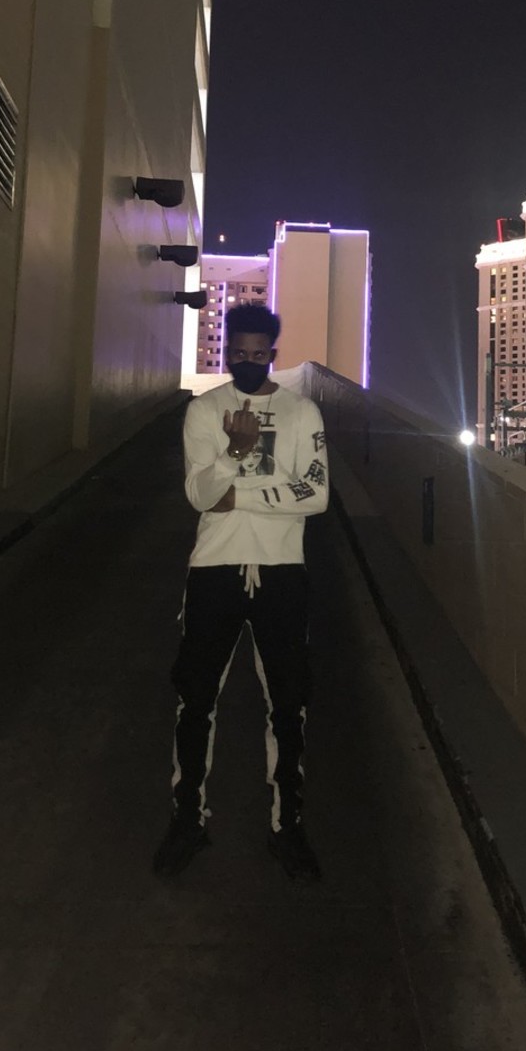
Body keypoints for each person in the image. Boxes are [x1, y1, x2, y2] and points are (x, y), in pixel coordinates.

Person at [152, 302, 329, 882]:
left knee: (289, 703)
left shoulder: (302, 412)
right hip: (214, 568)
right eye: (240, 354)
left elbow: (317, 495)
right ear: (228, 352)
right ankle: (187, 820)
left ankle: (288, 827)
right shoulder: (205, 411)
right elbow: (200, 495)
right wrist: (233, 453)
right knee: (196, 698)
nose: (249, 363)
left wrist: (240, 496)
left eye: (260, 354)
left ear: (272, 353)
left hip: (282, 570)